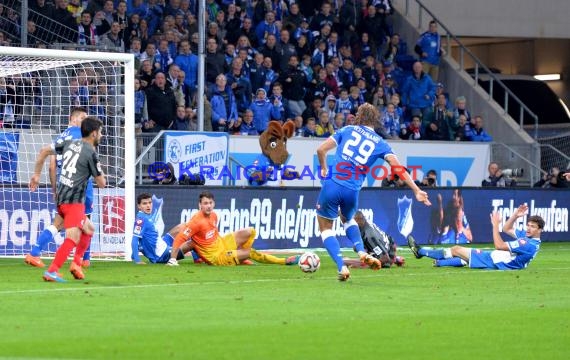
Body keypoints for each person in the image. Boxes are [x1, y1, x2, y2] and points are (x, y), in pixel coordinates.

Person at [315, 103, 431, 281]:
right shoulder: (380, 142)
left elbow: (321, 149)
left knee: (325, 228)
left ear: (358, 116)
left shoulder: (347, 130)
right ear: (375, 120)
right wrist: (416, 189)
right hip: (352, 191)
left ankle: (341, 267)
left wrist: (323, 168)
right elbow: (398, 168)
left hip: (333, 184)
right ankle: (362, 252)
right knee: (348, 219)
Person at [29, 117, 106, 282]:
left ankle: (76, 263)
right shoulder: (91, 153)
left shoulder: (70, 142)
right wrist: (96, 170)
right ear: (93, 133)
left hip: (61, 197)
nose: (101, 136)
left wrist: (36, 174)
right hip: (74, 201)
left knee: (89, 229)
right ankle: (52, 270)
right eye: (100, 132)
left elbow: (43, 151)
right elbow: (102, 183)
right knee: (73, 237)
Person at [25, 107, 92, 268]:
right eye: (83, 118)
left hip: (64, 183)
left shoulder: (61, 136)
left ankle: (35, 253)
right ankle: (81, 259)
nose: (86, 122)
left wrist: (54, 188)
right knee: (85, 223)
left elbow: (52, 166)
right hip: (79, 184)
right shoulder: (79, 134)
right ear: (73, 119)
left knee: (60, 223)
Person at [167, 191, 300, 267]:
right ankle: (284, 261)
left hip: (222, 244)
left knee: (250, 231)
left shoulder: (214, 215)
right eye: (205, 203)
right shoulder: (196, 222)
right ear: (199, 205)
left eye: (210, 203)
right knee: (251, 252)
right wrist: (173, 259)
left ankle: (240, 257)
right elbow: (180, 238)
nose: (208, 206)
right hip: (217, 258)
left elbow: (211, 236)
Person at [408, 203, 544, 270]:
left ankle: (420, 251)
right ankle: (439, 262)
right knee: (463, 258)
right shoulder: (528, 238)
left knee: (456, 250)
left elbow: (500, 245)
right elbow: (507, 229)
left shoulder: (528, 244)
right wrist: (515, 215)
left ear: (540, 230)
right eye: (528, 225)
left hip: (496, 263)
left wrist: (495, 226)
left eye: (533, 227)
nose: (528, 228)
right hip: (496, 259)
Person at [131, 193, 196, 264]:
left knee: (182, 226)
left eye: (150, 202)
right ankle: (198, 259)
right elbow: (135, 239)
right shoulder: (141, 220)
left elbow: (143, 241)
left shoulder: (146, 216)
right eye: (144, 203)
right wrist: (137, 260)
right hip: (162, 255)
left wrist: (133, 255)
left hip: (163, 244)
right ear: (139, 206)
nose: (148, 205)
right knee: (193, 243)